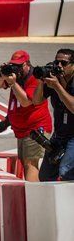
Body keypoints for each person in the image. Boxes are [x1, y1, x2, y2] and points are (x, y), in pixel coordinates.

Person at [0, 50, 52, 182]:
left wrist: (13, 84)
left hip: (36, 128)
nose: (16, 68)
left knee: (31, 164)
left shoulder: (35, 78)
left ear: (27, 64)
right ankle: (32, 194)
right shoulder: (15, 76)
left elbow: (26, 102)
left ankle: (34, 197)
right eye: (14, 65)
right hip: (22, 130)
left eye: (19, 65)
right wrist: (1, 74)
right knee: (26, 163)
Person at [33, 48, 74, 181]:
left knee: (65, 171)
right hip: (59, 135)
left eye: (64, 63)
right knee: (45, 176)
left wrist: (57, 87)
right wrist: (40, 81)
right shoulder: (54, 79)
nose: (59, 66)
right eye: (57, 62)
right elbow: (36, 100)